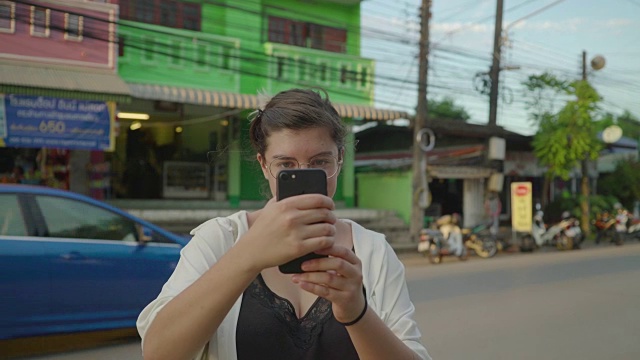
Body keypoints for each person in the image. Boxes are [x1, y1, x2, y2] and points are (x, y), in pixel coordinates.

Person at [137, 88, 430, 360]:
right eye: (286, 165)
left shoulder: (373, 251)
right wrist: (248, 255)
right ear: (265, 165)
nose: (304, 175)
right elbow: (158, 352)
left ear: (339, 159)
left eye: (320, 162)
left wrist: (357, 312)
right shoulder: (220, 239)